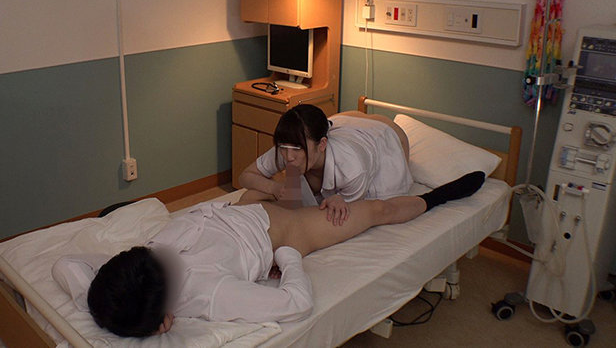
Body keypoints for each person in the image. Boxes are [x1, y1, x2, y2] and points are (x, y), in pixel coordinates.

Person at [52, 169, 485, 338]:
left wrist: (92, 300)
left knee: (299, 171)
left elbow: (65, 264)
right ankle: (439, 195)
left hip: (236, 208)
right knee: (375, 211)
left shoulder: (130, 277)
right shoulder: (210, 294)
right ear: (167, 315)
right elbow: (296, 303)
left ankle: (346, 173)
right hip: (283, 230)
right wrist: (289, 255)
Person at [239, 104, 418, 226]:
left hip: (383, 137)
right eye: (284, 148)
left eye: (297, 149)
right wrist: (273, 187)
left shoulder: (352, 169)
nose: (289, 157)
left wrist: (343, 200)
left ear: (322, 144)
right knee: (251, 196)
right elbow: (245, 176)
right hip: (345, 123)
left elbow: (354, 211)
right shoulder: (289, 146)